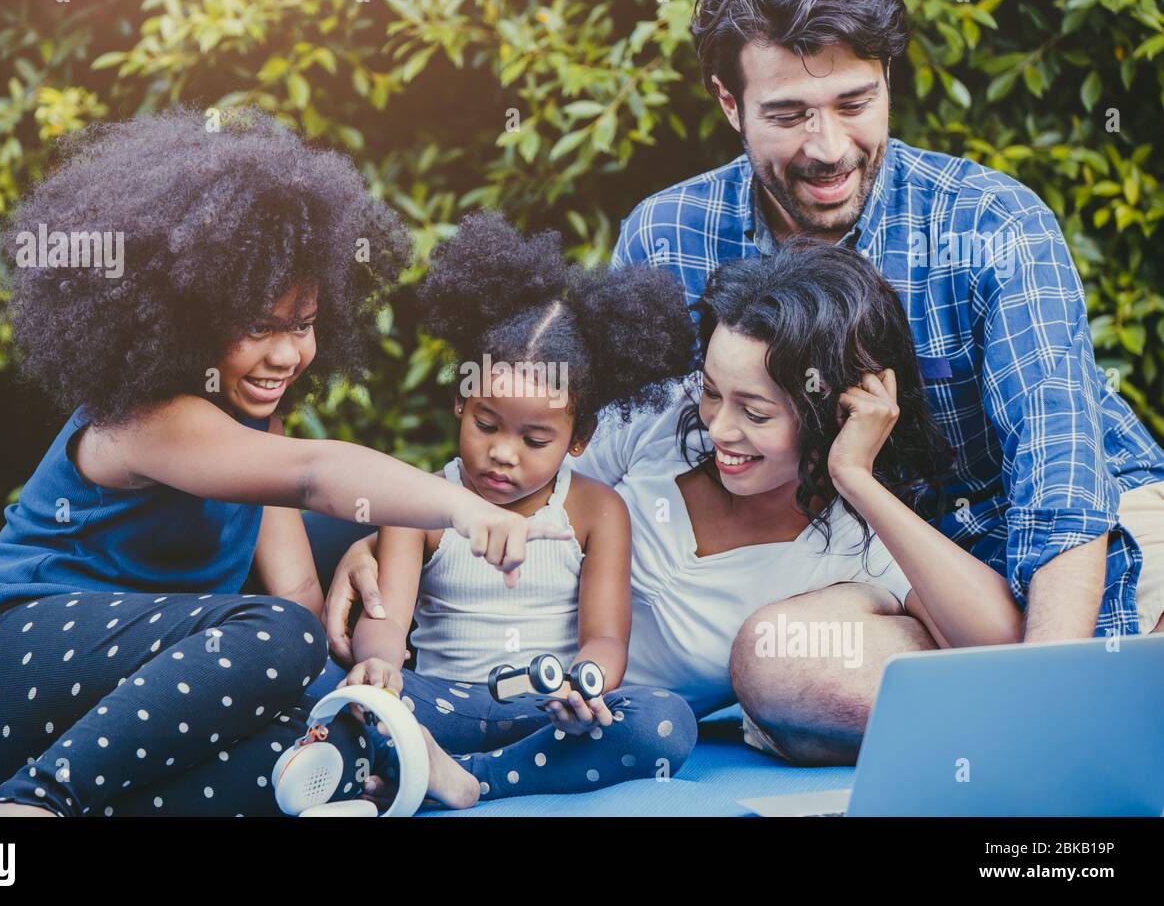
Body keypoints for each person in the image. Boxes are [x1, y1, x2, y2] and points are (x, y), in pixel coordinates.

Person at [0, 109, 567, 818]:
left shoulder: (256, 426)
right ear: (183, 315)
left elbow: (300, 603)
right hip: (7, 673)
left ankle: (6, 796)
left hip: (102, 732)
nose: (286, 354)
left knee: (325, 757)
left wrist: (373, 699)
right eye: (259, 326)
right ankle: (33, 806)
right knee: (283, 640)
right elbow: (315, 477)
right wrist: (466, 508)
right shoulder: (143, 420)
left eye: (304, 325)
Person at [611, 0, 1164, 653]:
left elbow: (1062, 474)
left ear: (887, 80)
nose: (830, 148)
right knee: (783, 670)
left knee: (1126, 672)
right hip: (872, 559)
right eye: (788, 114)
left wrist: (1048, 676)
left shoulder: (991, 220)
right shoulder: (667, 237)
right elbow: (612, 456)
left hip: (1085, 533)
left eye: (854, 103)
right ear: (731, 103)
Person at [329, 238, 1024, 768]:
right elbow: (521, 478)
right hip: (461, 628)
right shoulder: (659, 422)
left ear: (830, 409)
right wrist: (391, 539)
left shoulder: (852, 541)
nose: (718, 427)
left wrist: (858, 476)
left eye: (754, 411)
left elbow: (1001, 643)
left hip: (583, 711)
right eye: (714, 390)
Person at [332, 211, 698, 805]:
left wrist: (587, 688)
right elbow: (385, 615)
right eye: (485, 424)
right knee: (336, 693)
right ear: (459, 402)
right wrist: (379, 668)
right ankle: (422, 753)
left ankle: (468, 777)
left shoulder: (597, 511)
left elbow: (605, 639)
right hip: (435, 702)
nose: (501, 454)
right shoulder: (418, 502)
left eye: (534, 440)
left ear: (579, 439)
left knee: (663, 720)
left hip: (542, 713)